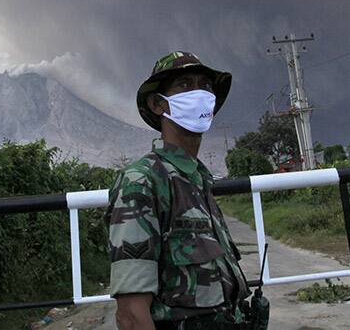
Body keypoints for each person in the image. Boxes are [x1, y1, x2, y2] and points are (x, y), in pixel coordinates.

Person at [106, 51, 252, 329]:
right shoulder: (142, 181)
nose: (199, 93)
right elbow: (131, 315)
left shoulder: (198, 179)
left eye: (206, 86)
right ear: (158, 104)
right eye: (184, 85)